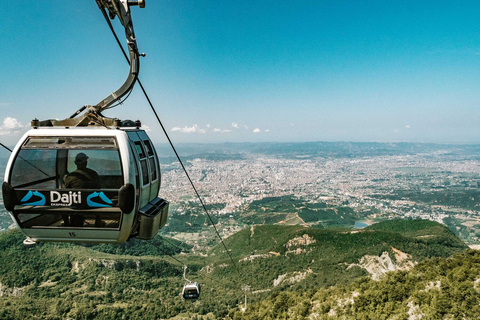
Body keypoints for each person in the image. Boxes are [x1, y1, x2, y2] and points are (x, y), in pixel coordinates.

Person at [63, 152, 104, 227]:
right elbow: (98, 187)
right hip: (92, 203)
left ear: (75, 163)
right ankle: (98, 220)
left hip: (76, 204)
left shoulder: (70, 176)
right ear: (86, 162)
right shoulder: (93, 174)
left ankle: (66, 222)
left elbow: (66, 190)